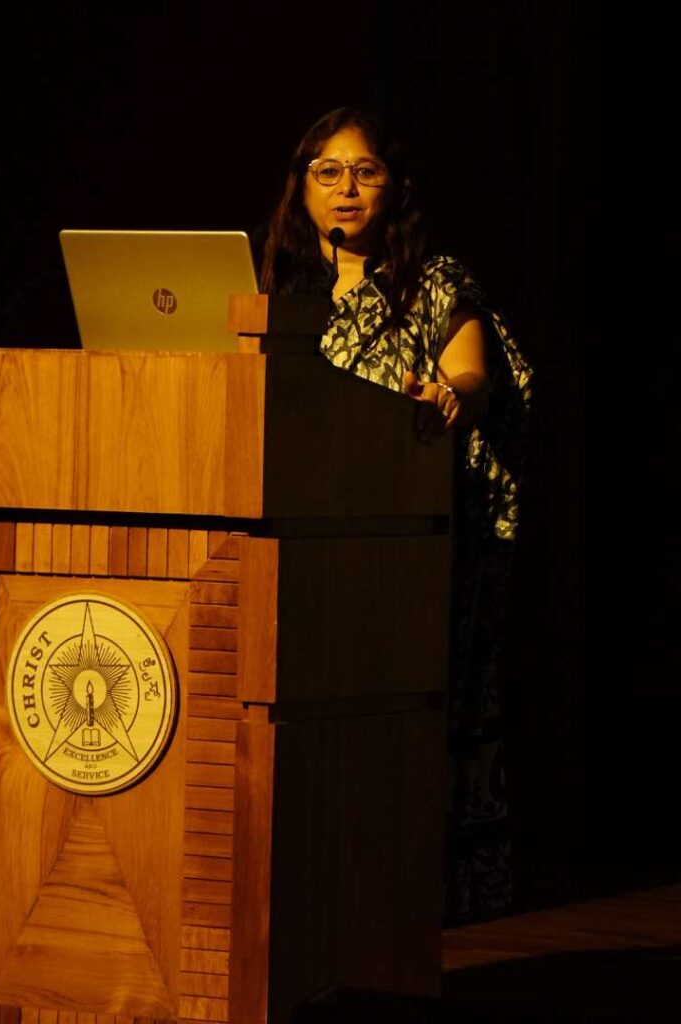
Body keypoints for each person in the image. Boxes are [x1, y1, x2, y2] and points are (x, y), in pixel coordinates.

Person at [259, 107, 533, 924]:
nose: (346, 188)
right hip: (301, 535)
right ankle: (310, 881)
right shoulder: (274, 293)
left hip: (408, 538)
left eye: (365, 171)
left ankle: (414, 893)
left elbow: (473, 376)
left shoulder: (434, 281)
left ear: (396, 187)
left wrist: (449, 396)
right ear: (301, 188)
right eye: (327, 171)